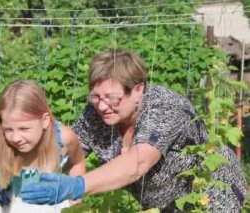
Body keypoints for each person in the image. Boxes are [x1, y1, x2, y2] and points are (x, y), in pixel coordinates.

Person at [19, 49, 247, 212]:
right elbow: (67, 149)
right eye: (95, 96)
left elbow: (136, 164)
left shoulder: (165, 108)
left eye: (111, 98)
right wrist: (19, 178)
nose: (101, 106)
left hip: (211, 197)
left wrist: (77, 187)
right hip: (159, 206)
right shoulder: (97, 113)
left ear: (138, 90)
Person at [0, 80, 85, 213]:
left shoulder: (63, 139)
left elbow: (77, 162)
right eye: (8, 129)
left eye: (24, 128)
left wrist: (75, 200)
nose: (16, 138)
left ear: (44, 121)